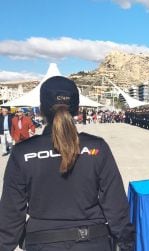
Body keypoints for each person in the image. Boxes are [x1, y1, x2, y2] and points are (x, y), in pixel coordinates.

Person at [0, 76, 135, 250]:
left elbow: (11, 214)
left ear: (41, 110)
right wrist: (126, 244)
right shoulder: (97, 147)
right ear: (77, 109)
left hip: (43, 242)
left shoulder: (23, 152)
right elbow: (116, 204)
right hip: (93, 241)